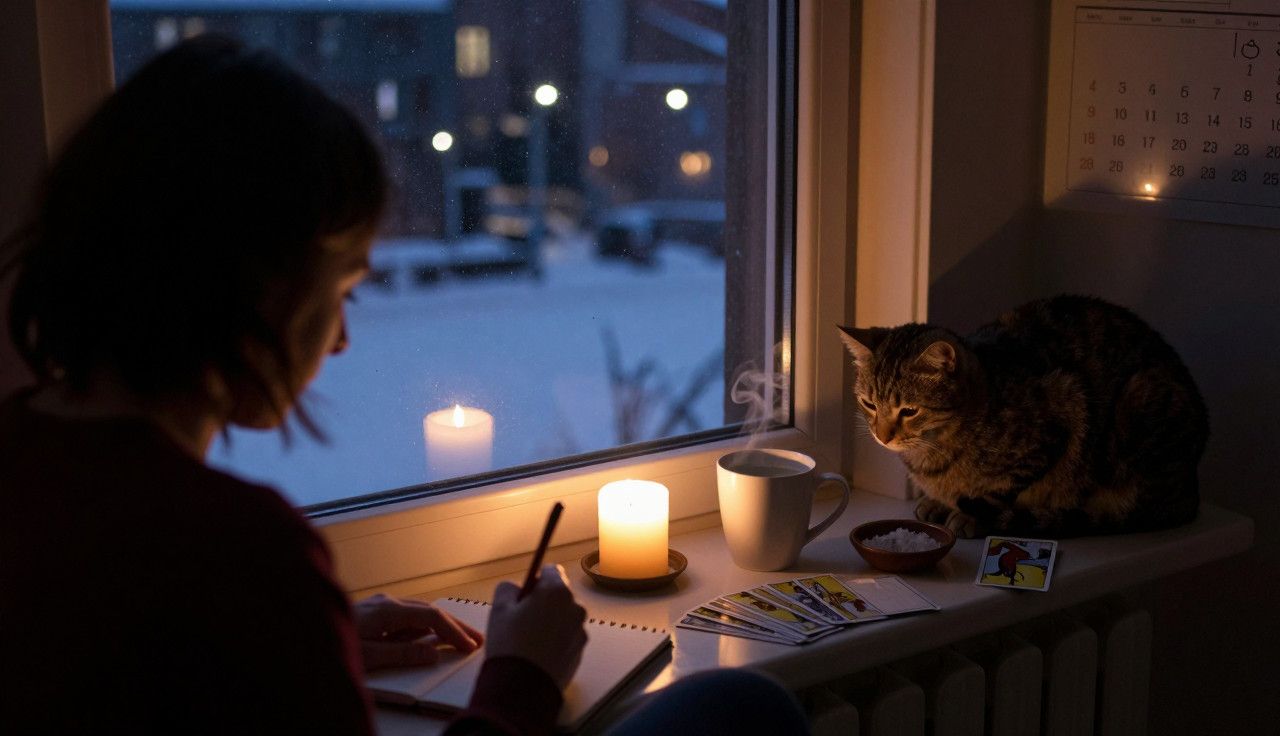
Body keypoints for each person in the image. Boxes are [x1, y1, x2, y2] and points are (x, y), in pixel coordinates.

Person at [0, 36, 807, 736]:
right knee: (744, 713)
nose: (344, 338)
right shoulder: (240, 558)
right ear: (261, 291)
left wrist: (319, 642)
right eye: (342, 289)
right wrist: (519, 680)